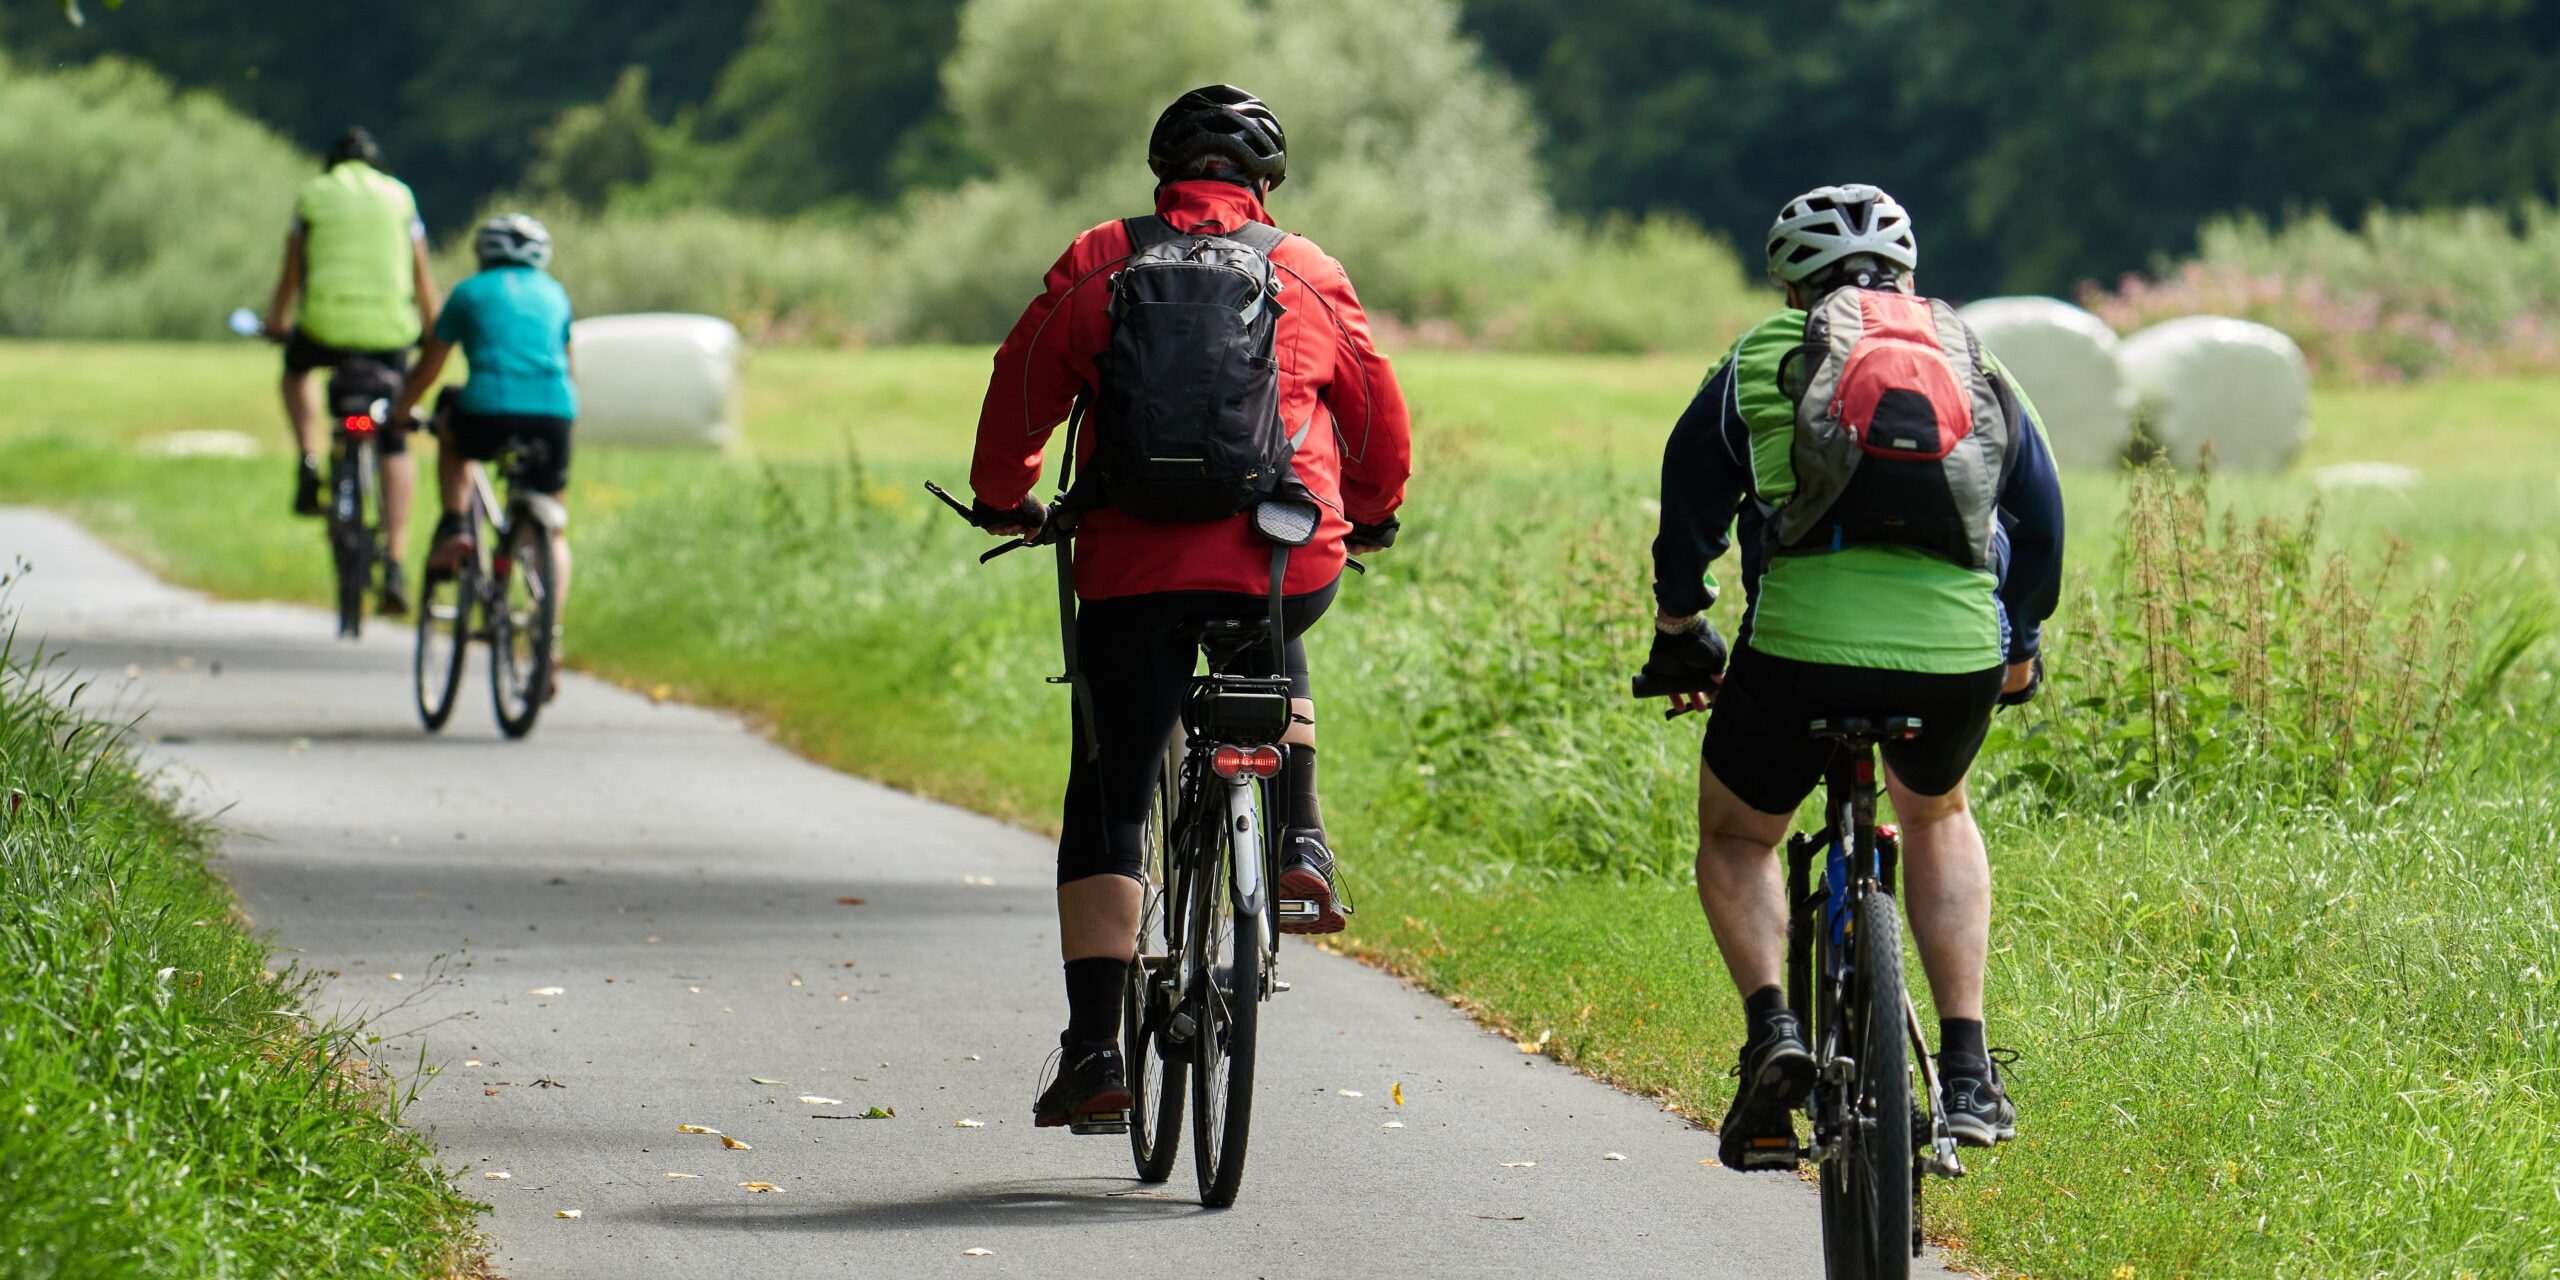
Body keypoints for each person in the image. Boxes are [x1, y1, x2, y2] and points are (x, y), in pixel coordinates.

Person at [967, 85, 1412, 1132]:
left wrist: (1003, 495)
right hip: (1282, 554)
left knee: (1111, 789)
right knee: (1272, 623)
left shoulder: (1102, 258)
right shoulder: (1305, 269)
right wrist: (1375, 511)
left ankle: (1094, 1051)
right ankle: (1300, 839)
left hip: (1131, 567)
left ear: (1163, 174)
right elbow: (1375, 413)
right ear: (1265, 184)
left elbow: (1022, 380)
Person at [1638, 184, 2063, 1168]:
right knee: (1937, 812)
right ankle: (1967, 1068)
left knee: (1738, 832)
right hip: (1956, 650)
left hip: (1798, 647)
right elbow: (2039, 514)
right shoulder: (1972, 355)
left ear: (1791, 287)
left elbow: (1688, 504)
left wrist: (1680, 623)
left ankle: (1773, 1032)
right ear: (1907, 274)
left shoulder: (1756, 356)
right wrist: (2019, 642)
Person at [388, 213, 577, 686]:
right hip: (554, 415)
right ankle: (548, 637)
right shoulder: (556, 294)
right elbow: (569, 367)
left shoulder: (469, 292)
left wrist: (402, 408)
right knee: (553, 530)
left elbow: (431, 364)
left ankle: (456, 524)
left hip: (488, 411)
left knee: (450, 425)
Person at [264, 127, 437, 614]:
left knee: (295, 372)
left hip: (325, 328)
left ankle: (309, 457)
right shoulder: (400, 197)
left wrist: (277, 321)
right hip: (390, 332)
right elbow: (421, 272)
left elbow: (292, 270)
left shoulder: (313, 195)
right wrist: (431, 327)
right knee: (394, 435)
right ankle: (396, 560)